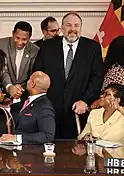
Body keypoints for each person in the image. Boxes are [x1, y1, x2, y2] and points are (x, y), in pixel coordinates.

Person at [33, 11, 104, 139]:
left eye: (76, 26)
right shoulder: (47, 47)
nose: (73, 29)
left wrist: (85, 101)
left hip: (79, 111)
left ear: (80, 28)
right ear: (62, 27)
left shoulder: (92, 48)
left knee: (77, 153)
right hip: (50, 110)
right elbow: (37, 74)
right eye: (69, 25)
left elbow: (97, 77)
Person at [0, 71, 55, 144]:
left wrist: (16, 138)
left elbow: (47, 136)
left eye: (29, 79)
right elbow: (19, 114)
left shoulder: (45, 107)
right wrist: (15, 97)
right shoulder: (30, 100)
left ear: (33, 84)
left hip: (29, 152)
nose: (27, 82)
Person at [0, 21, 39, 99]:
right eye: (17, 38)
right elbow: (2, 69)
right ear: (13, 33)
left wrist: (20, 90)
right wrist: (9, 87)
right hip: (3, 92)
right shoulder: (1, 44)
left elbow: (33, 74)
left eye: (24, 39)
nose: (20, 42)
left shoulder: (35, 50)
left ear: (30, 37)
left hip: (25, 93)